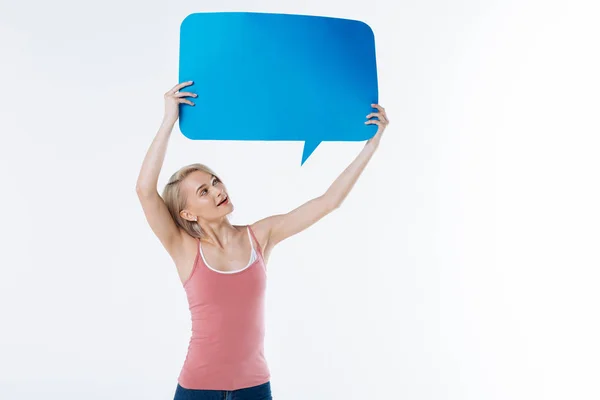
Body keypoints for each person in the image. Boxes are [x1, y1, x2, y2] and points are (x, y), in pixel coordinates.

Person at [135, 81, 389, 400]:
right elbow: (145, 191)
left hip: (254, 387)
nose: (218, 190)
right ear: (187, 214)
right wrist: (168, 121)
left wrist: (370, 145)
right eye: (204, 191)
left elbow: (328, 201)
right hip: (197, 388)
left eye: (215, 182)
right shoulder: (183, 247)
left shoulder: (260, 236)